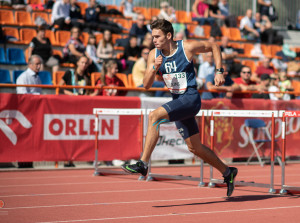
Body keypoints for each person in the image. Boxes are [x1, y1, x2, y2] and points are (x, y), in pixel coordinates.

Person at [121, 19, 238, 197]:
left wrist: (219, 71)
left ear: (168, 36)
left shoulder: (187, 48)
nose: (154, 40)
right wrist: (154, 68)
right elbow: (145, 84)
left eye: (157, 36)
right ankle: (228, 172)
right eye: (152, 36)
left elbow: (214, 46)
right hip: (178, 101)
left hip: (190, 99)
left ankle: (143, 164)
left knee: (154, 116)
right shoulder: (154, 54)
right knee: (195, 148)